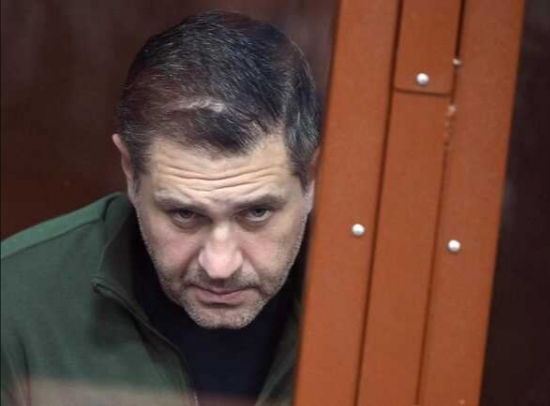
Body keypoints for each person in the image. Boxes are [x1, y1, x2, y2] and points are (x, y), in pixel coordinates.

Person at [1, 11, 320, 406]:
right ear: (131, 172)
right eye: (184, 215)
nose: (220, 266)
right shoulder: (13, 304)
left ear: (311, 177)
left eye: (256, 213)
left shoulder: (375, 303)